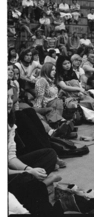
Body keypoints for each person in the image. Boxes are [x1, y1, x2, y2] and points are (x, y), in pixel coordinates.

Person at [8, 83, 64, 216]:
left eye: (11, 97)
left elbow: (10, 157)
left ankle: (38, 179)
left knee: (49, 155)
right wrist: (27, 172)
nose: (10, 102)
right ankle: (44, 182)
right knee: (31, 184)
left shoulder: (9, 123)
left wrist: (29, 169)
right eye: (6, 97)